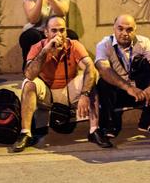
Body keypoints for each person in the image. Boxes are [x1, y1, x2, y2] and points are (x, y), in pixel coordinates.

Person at [12, 16, 109, 152]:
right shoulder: (37, 47)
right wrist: (45, 51)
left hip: (68, 90)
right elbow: (29, 74)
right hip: (47, 92)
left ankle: (94, 130)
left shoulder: (74, 45)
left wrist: (85, 94)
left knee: (91, 74)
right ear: (46, 33)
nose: (58, 34)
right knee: (29, 83)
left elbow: (89, 67)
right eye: (54, 30)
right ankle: (25, 133)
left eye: (62, 30)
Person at [95, 14, 150, 139]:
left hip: (141, 91)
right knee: (103, 82)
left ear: (135, 30)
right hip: (119, 91)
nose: (125, 33)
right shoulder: (104, 44)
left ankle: (147, 122)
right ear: (114, 28)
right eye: (120, 28)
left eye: (129, 29)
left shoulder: (143, 42)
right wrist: (128, 88)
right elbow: (103, 69)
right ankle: (110, 124)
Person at [19, 0, 78, 69]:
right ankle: (29, 68)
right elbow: (33, 19)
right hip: (37, 30)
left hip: (55, 31)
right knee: (30, 36)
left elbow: (62, 12)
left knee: (72, 36)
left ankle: (66, 69)